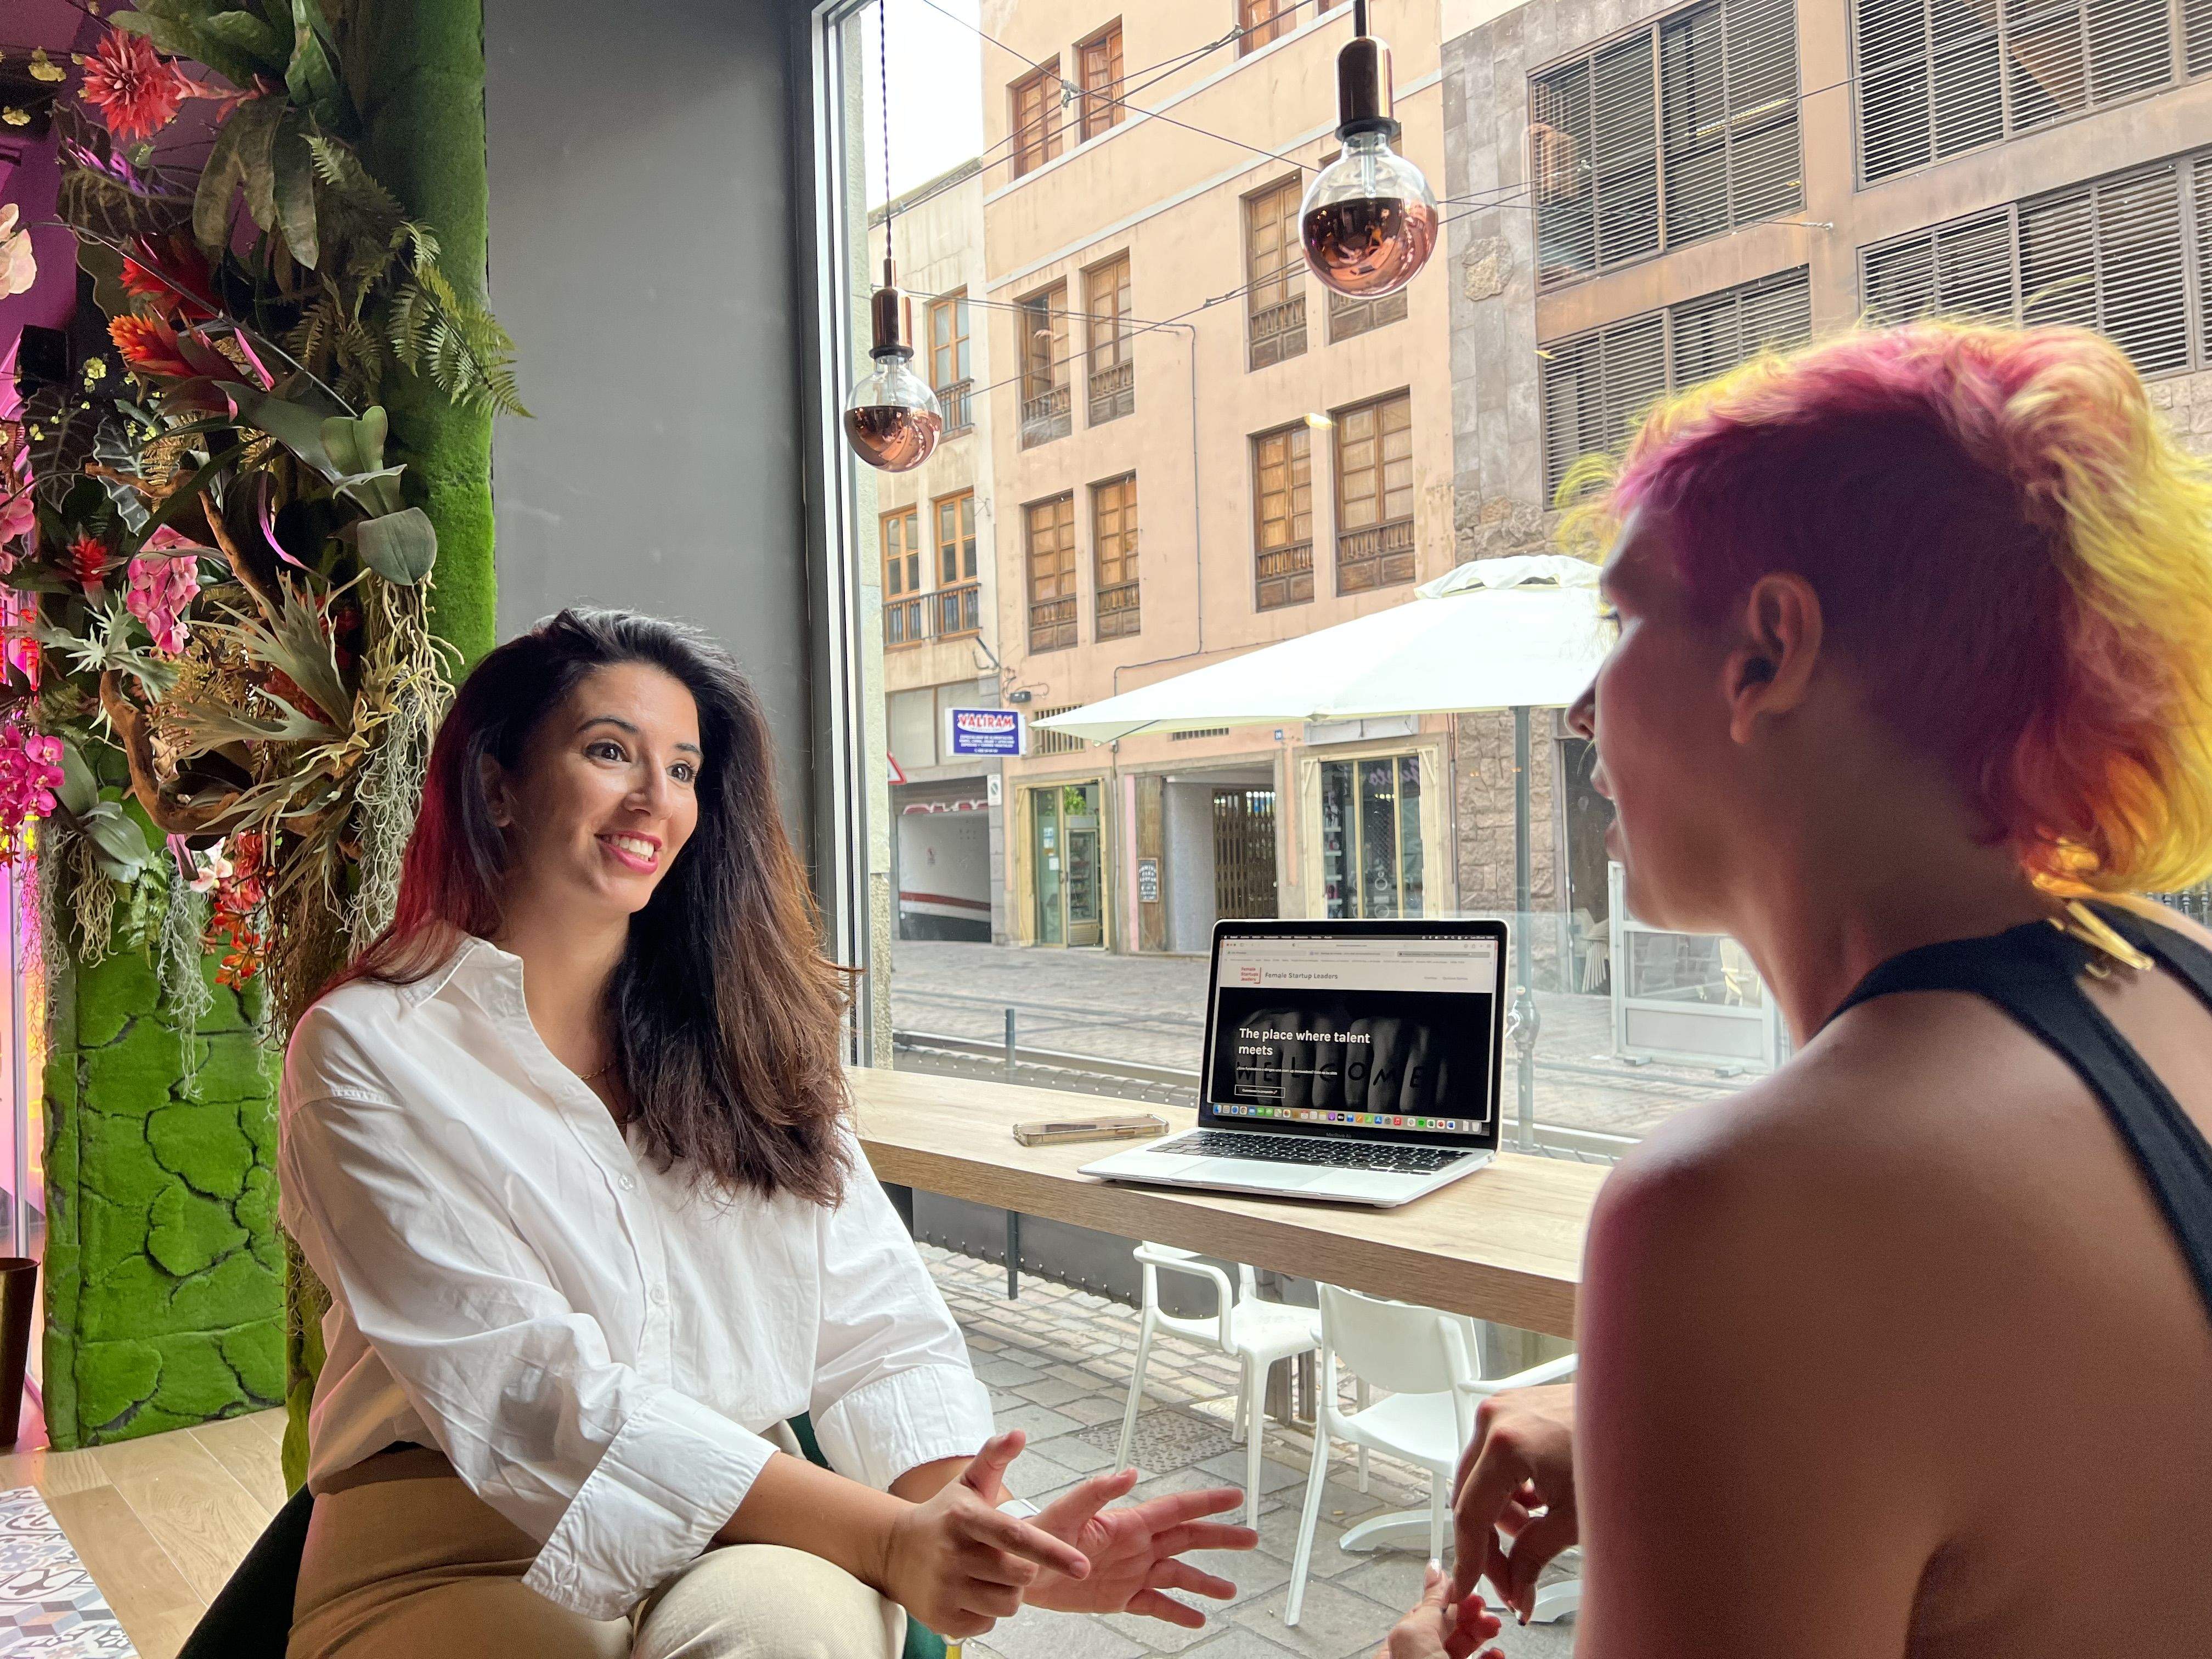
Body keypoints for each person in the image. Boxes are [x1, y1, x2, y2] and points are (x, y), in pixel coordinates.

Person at [1382, 321, 2212, 1659]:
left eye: (1625, 618)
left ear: (1768, 653)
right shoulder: (2182, 988)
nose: (1584, 706)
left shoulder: (1744, 1207)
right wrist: (1680, 1428)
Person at [279, 610, 1257, 1659]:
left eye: (686, 767)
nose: (657, 798)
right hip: (455, 1535)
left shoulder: (749, 1042)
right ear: (497, 783)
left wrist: (983, 1532)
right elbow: (529, 1387)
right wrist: (890, 1541)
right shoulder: (368, 1049)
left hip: (758, 1529)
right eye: (611, 751)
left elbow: (878, 1323)